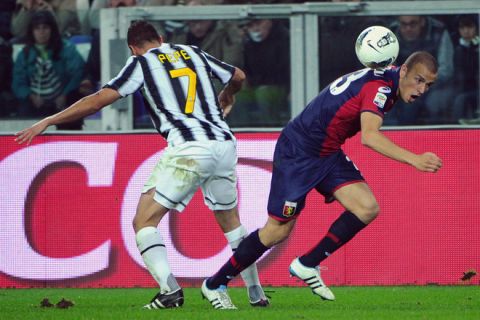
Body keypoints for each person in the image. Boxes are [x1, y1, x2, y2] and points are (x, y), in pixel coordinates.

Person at [15, 20, 268, 309]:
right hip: (224, 144)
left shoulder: (140, 63)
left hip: (189, 147)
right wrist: (228, 94)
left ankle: (170, 292)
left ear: (132, 48)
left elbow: (99, 100)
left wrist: (49, 120)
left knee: (144, 222)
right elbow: (237, 75)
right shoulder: (193, 52)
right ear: (160, 38)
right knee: (232, 223)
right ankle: (256, 293)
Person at [200, 51, 443, 309]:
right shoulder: (381, 90)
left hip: (327, 152)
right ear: (403, 70)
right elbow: (370, 137)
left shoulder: (388, 75)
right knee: (277, 231)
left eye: (428, 84)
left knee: (366, 207)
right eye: (418, 80)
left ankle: (307, 264)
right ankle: (215, 284)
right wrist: (415, 159)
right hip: (298, 152)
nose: (422, 89)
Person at [12, 10, 85, 129]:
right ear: (32, 31)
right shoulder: (24, 54)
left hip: (63, 100)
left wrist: (65, 95)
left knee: (73, 106)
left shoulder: (67, 49)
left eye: (45, 27)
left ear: (52, 29)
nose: (41, 32)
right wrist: (30, 96)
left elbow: (77, 73)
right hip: (34, 102)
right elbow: (18, 82)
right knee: (23, 110)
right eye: (37, 28)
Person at [386, 15, 454, 125]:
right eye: (404, 24)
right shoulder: (390, 34)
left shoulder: (439, 32)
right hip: (402, 85)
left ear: (422, 22)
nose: (408, 28)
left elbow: (446, 70)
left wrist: (418, 82)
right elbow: (388, 68)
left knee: (432, 103)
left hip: (435, 86)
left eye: (413, 24)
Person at [453, 15, 480, 125]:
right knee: (459, 100)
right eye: (462, 28)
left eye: (469, 27)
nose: (466, 31)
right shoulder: (458, 49)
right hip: (464, 87)